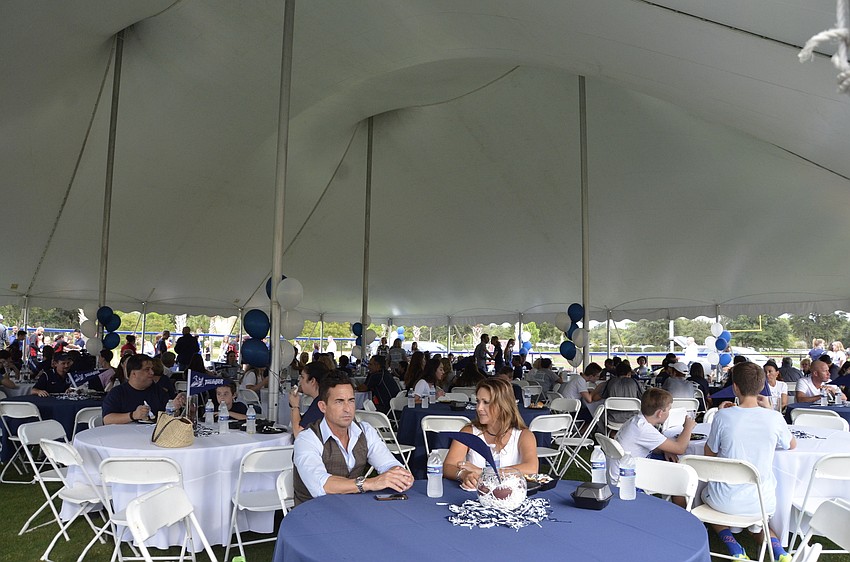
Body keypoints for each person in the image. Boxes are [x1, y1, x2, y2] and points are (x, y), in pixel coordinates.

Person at [702, 361, 796, 562]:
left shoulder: (723, 417)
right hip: (762, 501)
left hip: (724, 500)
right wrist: (771, 411)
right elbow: (791, 444)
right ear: (761, 385)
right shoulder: (774, 418)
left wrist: (721, 413)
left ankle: (734, 547)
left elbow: (709, 453)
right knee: (759, 524)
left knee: (704, 496)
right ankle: (780, 552)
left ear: (735, 387)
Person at [292, 371, 413, 505]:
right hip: (312, 514)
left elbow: (388, 464)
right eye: (339, 402)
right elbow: (321, 485)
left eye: (351, 401)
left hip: (352, 508)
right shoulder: (307, 439)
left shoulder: (365, 431)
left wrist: (398, 474)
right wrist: (370, 483)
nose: (347, 409)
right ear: (323, 407)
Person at [443, 378, 539, 489]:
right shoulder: (469, 431)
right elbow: (448, 466)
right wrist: (463, 475)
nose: (479, 408)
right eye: (478, 401)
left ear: (503, 405)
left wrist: (483, 472)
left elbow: (532, 468)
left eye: (486, 402)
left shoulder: (523, 435)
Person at [609, 388, 695, 489]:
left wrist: (665, 450)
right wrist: (688, 427)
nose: (669, 413)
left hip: (623, 469)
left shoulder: (637, 421)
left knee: (672, 463)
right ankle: (682, 503)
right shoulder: (643, 428)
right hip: (627, 478)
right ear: (660, 413)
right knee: (679, 473)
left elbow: (649, 444)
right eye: (669, 410)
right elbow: (680, 448)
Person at [102, 354, 185, 424]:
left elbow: (166, 416)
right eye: (147, 369)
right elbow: (107, 419)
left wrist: (174, 408)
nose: (152, 372)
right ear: (134, 373)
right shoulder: (118, 392)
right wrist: (133, 415)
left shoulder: (158, 391)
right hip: (123, 437)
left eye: (152, 369)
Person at [288, 361, 331, 437]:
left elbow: (298, 434)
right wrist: (292, 406)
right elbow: (300, 422)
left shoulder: (320, 404)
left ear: (312, 381)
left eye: (302, 377)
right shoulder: (321, 399)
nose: (300, 381)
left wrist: (295, 406)